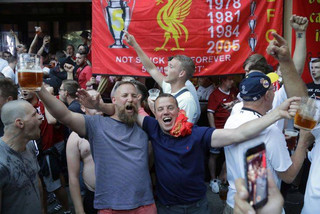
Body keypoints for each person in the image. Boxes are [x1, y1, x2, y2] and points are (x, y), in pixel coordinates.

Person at [77, 82, 300, 214]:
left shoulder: (197, 133)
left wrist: (276, 114)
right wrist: (100, 105)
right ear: (155, 114)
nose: (166, 112)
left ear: (178, 111)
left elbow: (238, 134)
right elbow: (125, 108)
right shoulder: (153, 128)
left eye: (170, 108)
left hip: (198, 206)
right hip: (167, 207)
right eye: (161, 108)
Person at [37, 82, 156, 213]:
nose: (130, 98)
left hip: (145, 206)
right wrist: (39, 88)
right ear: (114, 100)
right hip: (110, 207)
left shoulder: (144, 126)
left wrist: (101, 105)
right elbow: (65, 115)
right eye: (125, 95)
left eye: (134, 95)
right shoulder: (97, 125)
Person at [223, 71, 313, 214]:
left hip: (233, 204)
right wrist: (303, 142)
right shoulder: (271, 132)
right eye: (272, 89)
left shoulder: (233, 117)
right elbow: (289, 176)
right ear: (267, 95)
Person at [124, 31, 200, 124]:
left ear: (181, 73)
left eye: (171, 67)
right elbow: (152, 69)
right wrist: (134, 45)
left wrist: (155, 110)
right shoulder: (169, 87)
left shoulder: (186, 100)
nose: (165, 69)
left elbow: (179, 132)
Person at [0, 100, 43, 214]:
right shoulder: (1, 163)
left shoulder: (29, 145)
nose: (40, 117)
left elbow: (36, 180)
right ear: (19, 123)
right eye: (34, 114)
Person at [67, 90, 101, 214]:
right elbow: (73, 177)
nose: (96, 102)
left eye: (99, 99)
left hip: (116, 194)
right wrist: (79, 209)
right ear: (82, 107)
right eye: (91, 100)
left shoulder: (114, 127)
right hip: (92, 195)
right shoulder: (75, 137)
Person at [207, 76, 238, 193]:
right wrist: (214, 131)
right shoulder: (214, 95)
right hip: (219, 130)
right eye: (230, 79)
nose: (233, 81)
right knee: (214, 155)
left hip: (232, 130)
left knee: (230, 154)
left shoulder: (234, 91)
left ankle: (223, 177)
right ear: (223, 80)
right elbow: (210, 113)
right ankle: (213, 179)